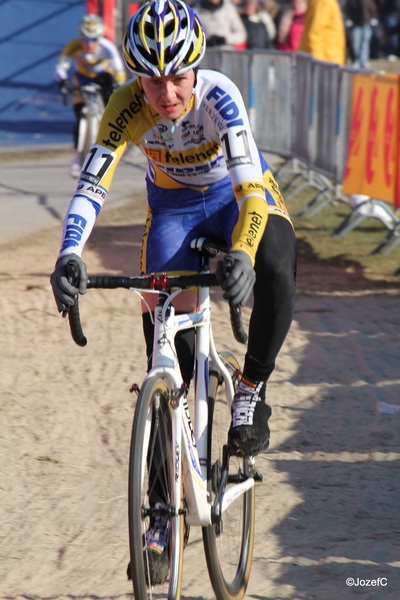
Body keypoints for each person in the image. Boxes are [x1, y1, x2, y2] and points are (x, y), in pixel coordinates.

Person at [50, 0, 297, 584]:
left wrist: (241, 252)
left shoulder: (219, 96)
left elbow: (252, 193)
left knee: (279, 268)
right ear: (136, 77)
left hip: (239, 199)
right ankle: (161, 516)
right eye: (152, 79)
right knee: (167, 364)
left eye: (177, 76)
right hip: (176, 212)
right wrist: (68, 253)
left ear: (197, 67)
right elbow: (94, 182)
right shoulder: (126, 105)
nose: (165, 93)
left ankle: (250, 389)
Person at [54, 14, 127, 178]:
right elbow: (60, 67)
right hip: (82, 81)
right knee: (80, 116)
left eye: (94, 40)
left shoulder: (107, 47)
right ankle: (77, 157)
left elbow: (119, 70)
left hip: (102, 80)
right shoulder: (73, 46)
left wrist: (118, 84)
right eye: (85, 39)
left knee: (110, 94)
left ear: (99, 38)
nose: (89, 44)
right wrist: (63, 81)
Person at [298, 0, 347, 64]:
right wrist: (319, 65)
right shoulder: (323, 2)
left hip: (328, 61)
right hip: (326, 62)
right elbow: (314, 35)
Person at [344, 0, 379, 68]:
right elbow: (348, 10)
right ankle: (356, 61)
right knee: (355, 45)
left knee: (365, 44)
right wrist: (348, 19)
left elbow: (373, 10)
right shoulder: (352, 1)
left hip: (366, 24)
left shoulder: (368, 1)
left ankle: (364, 61)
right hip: (356, 25)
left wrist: (374, 18)